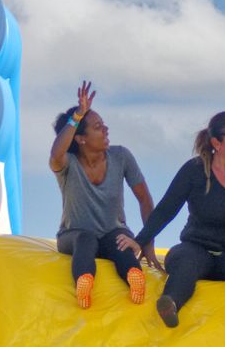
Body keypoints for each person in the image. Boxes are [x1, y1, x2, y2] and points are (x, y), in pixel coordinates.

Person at [123, 111, 225, 328]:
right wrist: (140, 240)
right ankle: (170, 303)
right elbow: (167, 208)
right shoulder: (194, 170)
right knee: (183, 260)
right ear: (217, 143)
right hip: (197, 246)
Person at [49, 80, 154, 309]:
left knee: (120, 242)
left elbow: (144, 199)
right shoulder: (68, 164)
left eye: (103, 125)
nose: (106, 130)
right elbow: (56, 154)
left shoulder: (121, 156)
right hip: (74, 235)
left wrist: (147, 242)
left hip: (112, 231)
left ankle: (135, 278)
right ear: (81, 138)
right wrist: (78, 115)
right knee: (86, 240)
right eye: (98, 127)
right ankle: (84, 283)